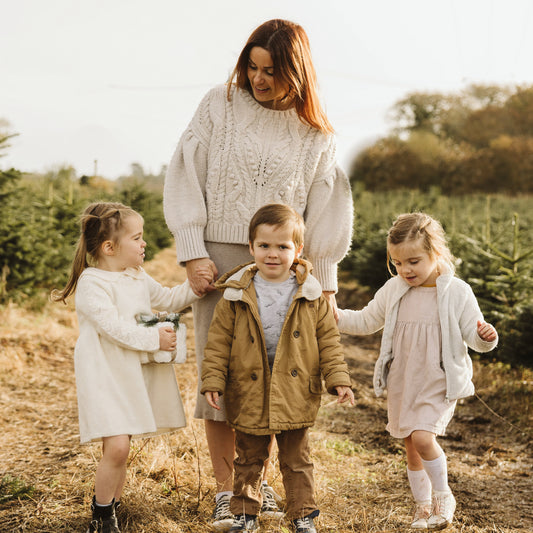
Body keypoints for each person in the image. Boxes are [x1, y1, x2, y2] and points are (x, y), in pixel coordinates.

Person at [163, 18, 353, 530]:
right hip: (222, 258)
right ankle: (229, 491)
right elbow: (185, 171)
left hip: (285, 265)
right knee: (225, 373)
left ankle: (256, 484)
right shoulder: (218, 105)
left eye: (271, 69)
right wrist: (191, 250)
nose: (259, 78)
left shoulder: (317, 133)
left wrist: (325, 281)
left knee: (272, 375)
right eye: (253, 66)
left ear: (298, 70)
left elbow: (326, 210)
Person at [337, 212, 498, 531]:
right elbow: (367, 321)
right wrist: (333, 316)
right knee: (411, 446)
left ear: (436, 253)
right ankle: (423, 508)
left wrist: (485, 337)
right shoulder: (395, 289)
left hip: (437, 381)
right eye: (397, 263)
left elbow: (474, 336)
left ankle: (443, 496)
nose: (405, 269)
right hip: (404, 380)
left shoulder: (457, 292)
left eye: (413, 261)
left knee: (424, 437)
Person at [201, 204, 355, 533]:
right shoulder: (235, 293)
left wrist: (338, 379)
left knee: (296, 458)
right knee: (248, 457)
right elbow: (218, 342)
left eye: (283, 246)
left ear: (297, 250)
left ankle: (302, 514)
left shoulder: (310, 294)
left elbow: (328, 341)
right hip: (249, 387)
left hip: (295, 390)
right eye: (265, 246)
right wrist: (213, 380)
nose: (273, 254)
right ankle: (244, 514)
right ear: (251, 247)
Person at [52, 202, 201, 533]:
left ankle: (111, 511)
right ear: (109, 247)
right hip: (105, 375)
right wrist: (155, 341)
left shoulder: (137, 276)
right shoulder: (93, 283)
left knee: (121, 447)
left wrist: (197, 285)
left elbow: (168, 298)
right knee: (117, 446)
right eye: (137, 238)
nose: (144, 243)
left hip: (129, 375)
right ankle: (101, 517)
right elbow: (112, 327)